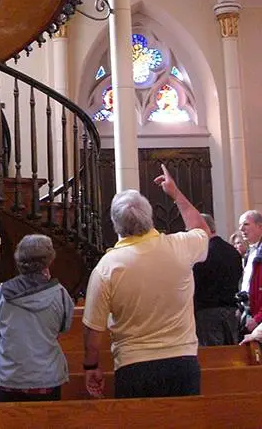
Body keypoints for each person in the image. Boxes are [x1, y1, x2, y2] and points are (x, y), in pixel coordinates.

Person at [83, 164, 210, 400]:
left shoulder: (107, 266)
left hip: (134, 367)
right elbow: (202, 229)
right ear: (150, 217)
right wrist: (175, 193)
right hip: (183, 362)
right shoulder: (179, 247)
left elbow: (93, 330)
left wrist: (91, 367)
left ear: (115, 224)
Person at [0, 234, 74, 402]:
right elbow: (64, 327)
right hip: (46, 377)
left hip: (10, 375)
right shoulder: (60, 293)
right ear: (49, 261)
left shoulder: (1, 292)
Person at [193, 213, 243, 346]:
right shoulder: (232, 251)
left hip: (207, 314)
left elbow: (195, 284)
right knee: (233, 355)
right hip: (231, 311)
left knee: (214, 359)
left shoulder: (202, 253)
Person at [238, 210, 262, 333]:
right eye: (240, 225)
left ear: (260, 226)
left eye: (246, 224)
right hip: (248, 312)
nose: (241, 229)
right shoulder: (249, 253)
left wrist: (258, 318)